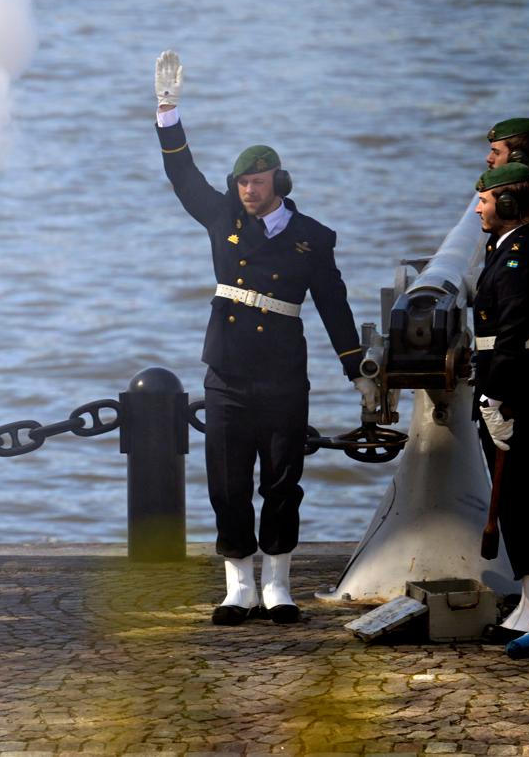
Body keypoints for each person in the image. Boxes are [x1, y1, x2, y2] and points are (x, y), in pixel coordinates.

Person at [152, 50, 371, 626]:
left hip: (281, 373)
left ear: (280, 181)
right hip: (226, 371)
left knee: (281, 481)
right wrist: (168, 113)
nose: (248, 190)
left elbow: (333, 305)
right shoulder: (221, 218)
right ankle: (237, 586)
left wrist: (357, 367)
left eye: (257, 181)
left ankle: (277, 584)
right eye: (242, 182)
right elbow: (182, 175)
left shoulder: (312, 238)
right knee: (227, 483)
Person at [470, 162, 529, 644]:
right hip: (512, 384)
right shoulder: (511, 247)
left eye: (486, 198)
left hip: (516, 390)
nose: (478, 205)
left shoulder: (518, 254)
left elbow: (513, 329)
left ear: (509, 205)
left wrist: (496, 398)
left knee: (522, 500)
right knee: (521, 498)